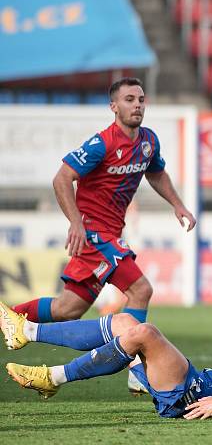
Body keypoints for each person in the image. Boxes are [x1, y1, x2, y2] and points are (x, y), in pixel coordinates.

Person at [8, 77, 196, 394]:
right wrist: (76, 223)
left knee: (68, 309)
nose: (137, 105)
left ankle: (10, 320)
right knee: (140, 289)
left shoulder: (148, 140)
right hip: (95, 234)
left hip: (108, 233)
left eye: (140, 99)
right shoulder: (102, 143)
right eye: (129, 99)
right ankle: (138, 370)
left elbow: (156, 172)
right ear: (114, 107)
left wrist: (178, 205)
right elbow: (62, 178)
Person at [2, 283, 212, 419]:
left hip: (194, 397)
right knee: (124, 320)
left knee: (146, 333)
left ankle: (52, 377)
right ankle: (28, 331)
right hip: (196, 383)